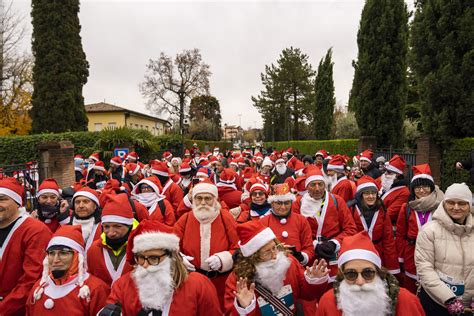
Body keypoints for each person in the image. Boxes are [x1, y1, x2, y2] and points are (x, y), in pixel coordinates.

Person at [101, 220, 222, 315]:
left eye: (154, 258)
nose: (146, 264)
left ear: (172, 257)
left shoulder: (198, 284)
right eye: (141, 257)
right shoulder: (123, 285)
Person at [224, 221, 329, 315]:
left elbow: (307, 295)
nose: (275, 255)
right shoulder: (237, 280)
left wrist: (314, 280)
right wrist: (244, 308)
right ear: (253, 256)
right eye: (267, 252)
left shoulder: (289, 262)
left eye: (274, 248)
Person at [316, 231, 425, 315]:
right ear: (342, 275)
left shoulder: (406, 300)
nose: (360, 281)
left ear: (378, 272)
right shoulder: (327, 302)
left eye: (368, 273)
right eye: (351, 274)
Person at [174, 181, 239, 309]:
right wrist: (180, 259)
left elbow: (238, 248)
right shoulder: (185, 219)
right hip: (191, 281)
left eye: (207, 198)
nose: (203, 202)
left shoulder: (225, 218)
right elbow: (171, 246)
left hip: (221, 282)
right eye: (199, 198)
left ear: (215, 200)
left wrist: (223, 259)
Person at [415, 183, 474, 316]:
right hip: (437, 302)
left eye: (462, 203)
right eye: (451, 202)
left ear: (469, 205)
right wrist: (449, 299)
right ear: (444, 203)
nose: (456, 207)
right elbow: (424, 268)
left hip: (469, 305)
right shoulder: (429, 231)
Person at [26, 225, 110, 315]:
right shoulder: (39, 288)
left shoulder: (94, 289)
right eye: (51, 253)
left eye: (63, 253)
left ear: (77, 256)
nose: (55, 260)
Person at [292, 168, 357, 281]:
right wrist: (313, 244)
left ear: (325, 185)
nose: (317, 189)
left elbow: (350, 228)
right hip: (310, 255)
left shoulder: (337, 201)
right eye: (313, 185)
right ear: (307, 187)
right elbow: (294, 231)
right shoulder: (298, 203)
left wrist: (334, 243)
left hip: (332, 254)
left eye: (320, 184)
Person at [0, 177, 52, 315]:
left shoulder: (35, 231)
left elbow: (32, 280)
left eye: (2, 199)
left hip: (18, 309)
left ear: (17, 202)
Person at [395, 164, 444, 293]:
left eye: (425, 187)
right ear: (413, 189)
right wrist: (400, 258)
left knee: (432, 288)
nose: (422, 191)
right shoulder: (406, 208)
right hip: (412, 254)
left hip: (435, 254)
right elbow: (400, 235)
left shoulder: (440, 207)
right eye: (418, 187)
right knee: (411, 289)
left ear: (431, 188)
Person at [349, 176, 401, 279]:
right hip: (357, 254)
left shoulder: (381, 211)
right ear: (360, 195)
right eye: (367, 193)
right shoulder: (352, 210)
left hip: (378, 254)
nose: (371, 196)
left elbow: (388, 239)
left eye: (373, 193)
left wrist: (392, 267)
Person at [87, 194, 136, 286]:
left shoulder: (141, 249)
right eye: (106, 227)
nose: (111, 233)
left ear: (130, 226)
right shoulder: (94, 250)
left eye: (117, 226)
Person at [58, 187, 103, 253]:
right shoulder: (67, 227)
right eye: (77, 202)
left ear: (95, 206)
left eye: (85, 201)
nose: (81, 205)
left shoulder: (104, 227)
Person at [379, 155, 410, 231]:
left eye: (389, 172)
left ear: (398, 174)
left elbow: (390, 214)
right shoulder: (386, 184)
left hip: (388, 228)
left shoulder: (404, 192)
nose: (385, 174)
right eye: (385, 171)